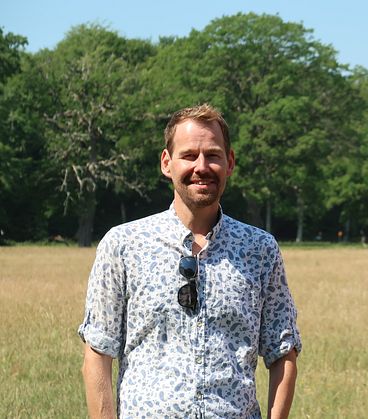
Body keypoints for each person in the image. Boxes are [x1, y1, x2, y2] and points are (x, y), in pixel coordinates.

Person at [79, 104, 301, 418]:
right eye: (189, 155)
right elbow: (98, 353)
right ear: (167, 163)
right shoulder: (123, 245)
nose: (201, 166)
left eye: (213, 155)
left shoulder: (260, 249)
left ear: (230, 162)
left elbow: (283, 352)